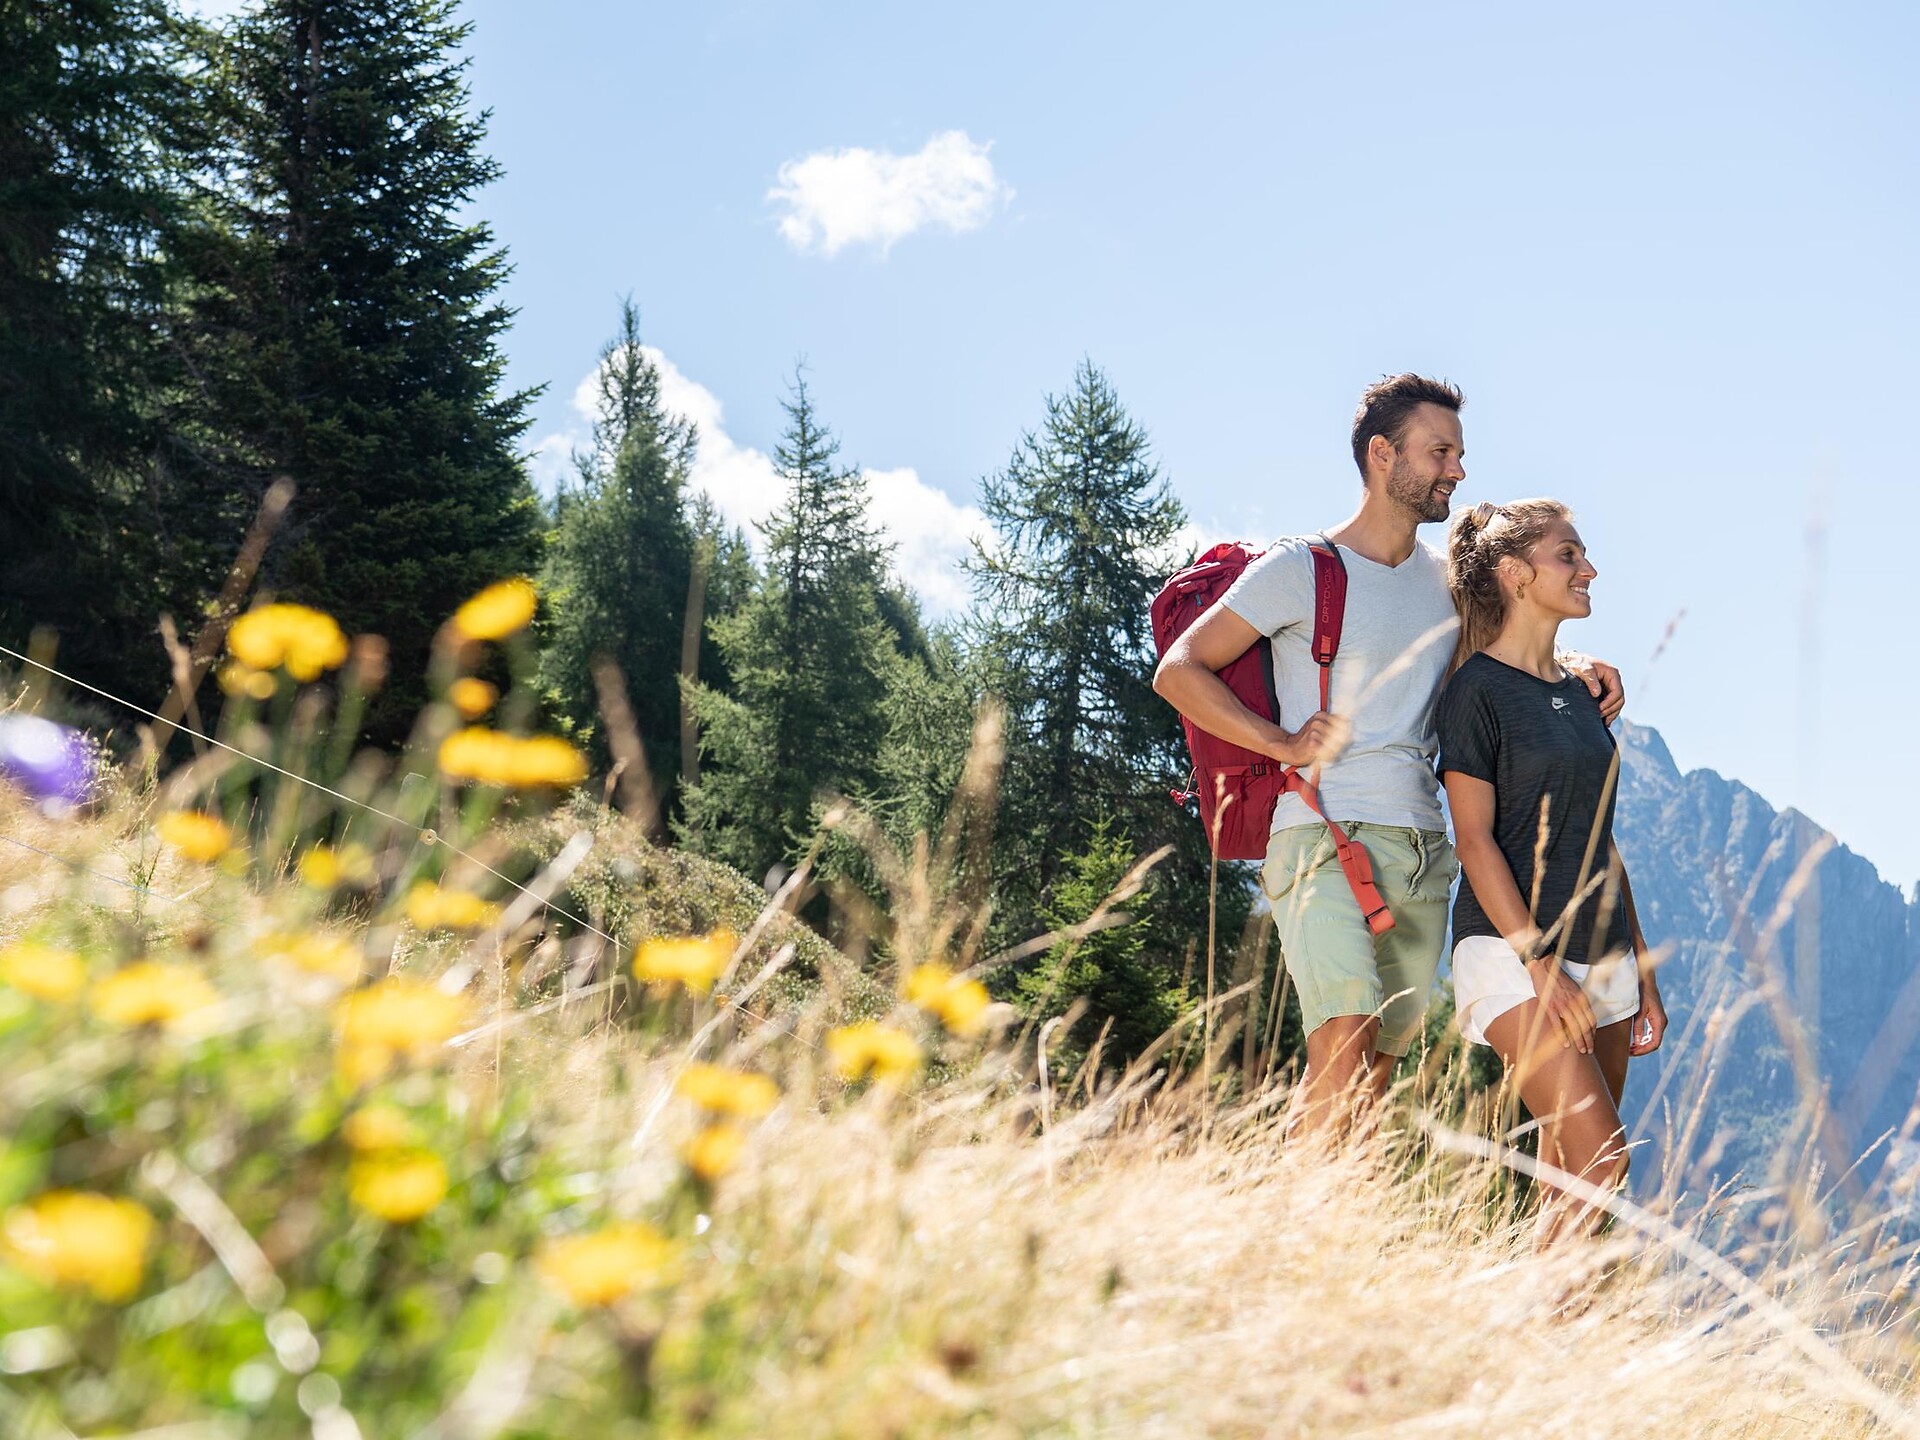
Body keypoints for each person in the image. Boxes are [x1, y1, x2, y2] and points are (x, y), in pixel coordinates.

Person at [1152, 374, 1624, 1129]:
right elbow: (1179, 670)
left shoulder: (1446, 584)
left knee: (1368, 1078)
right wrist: (1278, 742)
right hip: (1319, 834)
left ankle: (1305, 1199)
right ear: (1382, 454)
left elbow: (1508, 652)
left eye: (1458, 453)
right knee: (1343, 1040)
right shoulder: (1302, 568)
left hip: (1421, 853)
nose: (1457, 470)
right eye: (1440, 452)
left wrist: (1579, 665)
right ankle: (1288, 1205)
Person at [1436, 499, 1666, 1241]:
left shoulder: (1582, 694)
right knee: (1602, 1160)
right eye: (1568, 555)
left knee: (1570, 1179)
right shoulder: (1475, 690)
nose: (1588, 569)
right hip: (1512, 952)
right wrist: (1538, 963)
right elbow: (1474, 841)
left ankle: (1537, 1311)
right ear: (1514, 573)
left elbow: (1601, 839)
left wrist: (1642, 970)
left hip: (1604, 955)